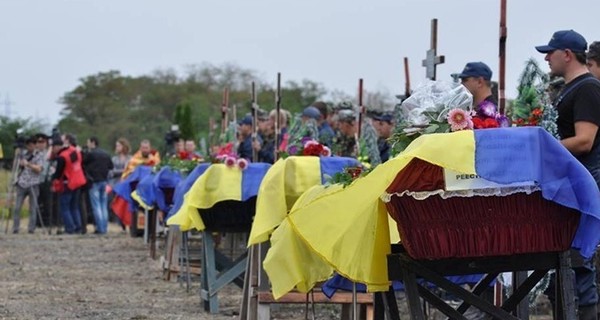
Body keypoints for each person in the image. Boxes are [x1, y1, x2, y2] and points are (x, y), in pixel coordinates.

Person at [536, 29, 600, 320]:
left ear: (567, 54)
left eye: (551, 52)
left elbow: (585, 140)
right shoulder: (572, 88)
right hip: (576, 182)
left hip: (588, 182)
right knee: (570, 261)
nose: (547, 57)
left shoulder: (588, 88)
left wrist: (543, 147)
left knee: (580, 262)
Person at [51, 135, 87, 235]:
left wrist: (53, 180)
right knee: (74, 207)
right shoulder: (75, 151)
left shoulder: (62, 157)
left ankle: (70, 228)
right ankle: (78, 228)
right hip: (79, 181)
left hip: (68, 183)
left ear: (56, 146)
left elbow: (58, 173)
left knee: (65, 207)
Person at [12, 137, 44, 234]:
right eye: (28, 145)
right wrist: (18, 160)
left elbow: (39, 169)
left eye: (31, 145)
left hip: (33, 183)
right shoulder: (23, 155)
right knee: (17, 207)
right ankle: (15, 228)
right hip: (22, 183)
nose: (29, 147)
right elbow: (15, 167)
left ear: (35, 145)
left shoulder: (39, 155)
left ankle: (31, 228)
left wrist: (28, 164)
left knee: (33, 207)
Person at [83, 137, 114, 234]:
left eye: (88, 142)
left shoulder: (90, 154)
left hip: (94, 182)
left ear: (93, 142)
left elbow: (83, 164)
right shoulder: (106, 154)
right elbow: (111, 166)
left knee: (96, 206)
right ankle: (104, 227)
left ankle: (100, 228)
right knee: (103, 205)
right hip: (104, 181)